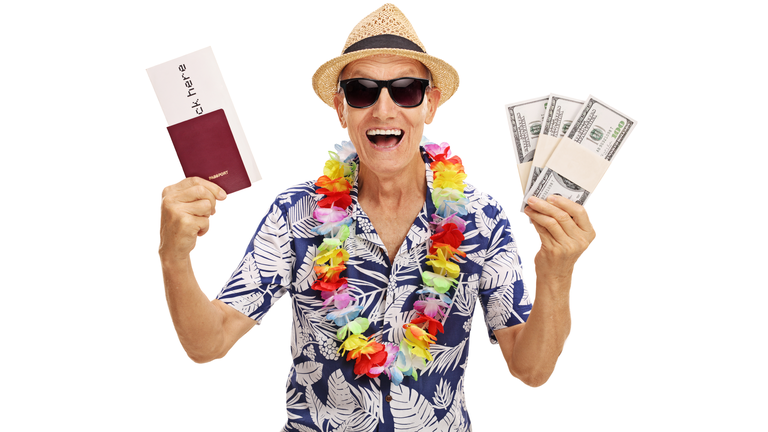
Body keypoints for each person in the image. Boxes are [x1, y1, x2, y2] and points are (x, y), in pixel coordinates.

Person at [159, 4, 595, 431]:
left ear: (430, 104)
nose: (384, 110)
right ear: (340, 108)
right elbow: (209, 342)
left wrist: (556, 272)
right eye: (362, 91)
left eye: (405, 90)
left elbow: (530, 368)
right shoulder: (296, 214)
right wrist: (174, 256)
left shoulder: (482, 217)